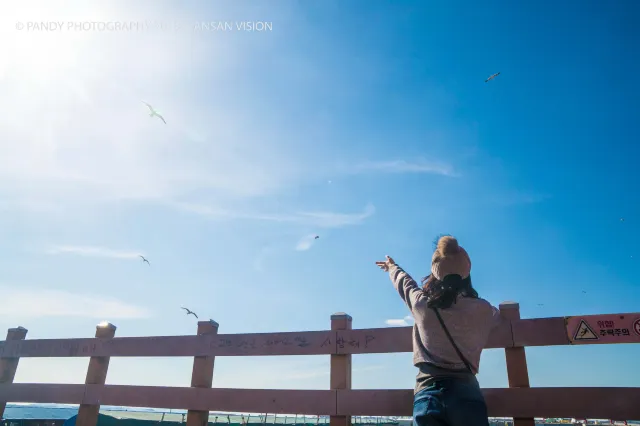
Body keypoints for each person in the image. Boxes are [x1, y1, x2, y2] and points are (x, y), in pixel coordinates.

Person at [376, 235, 501, 426]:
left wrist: (391, 267)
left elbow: (405, 283)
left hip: (428, 393)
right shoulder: (483, 309)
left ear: (435, 272)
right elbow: (497, 316)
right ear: (467, 272)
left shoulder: (422, 304)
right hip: (468, 394)